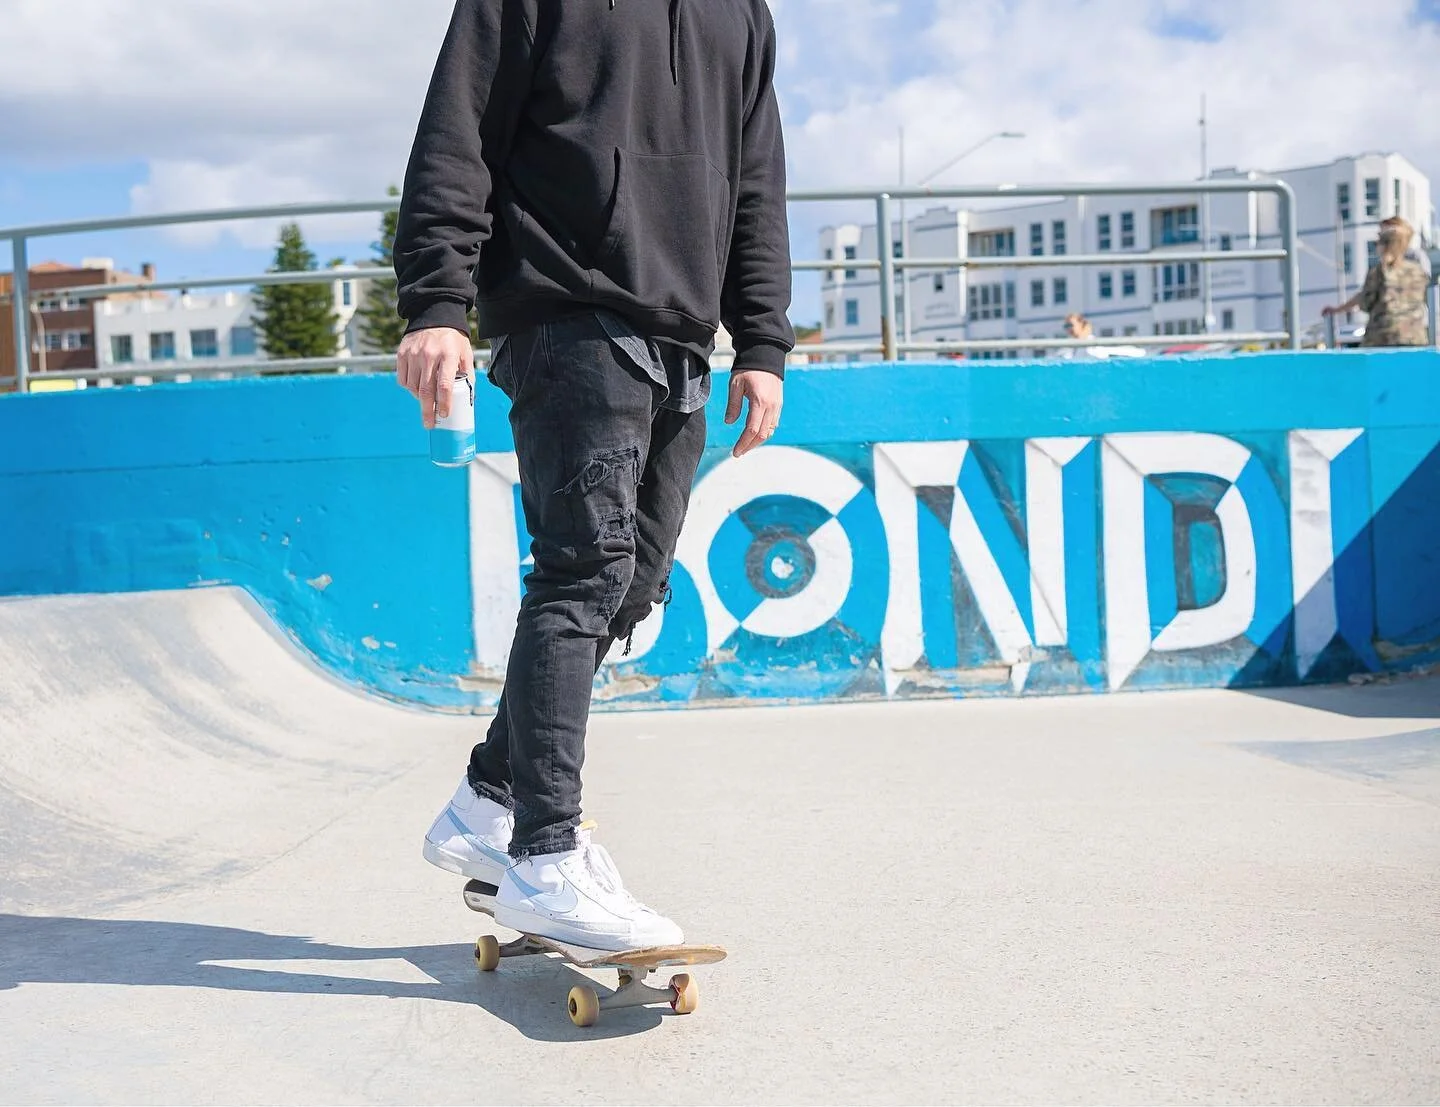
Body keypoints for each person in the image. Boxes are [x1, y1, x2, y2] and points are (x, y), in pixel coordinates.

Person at [392, 0, 794, 952]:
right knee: (581, 569)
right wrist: (436, 299)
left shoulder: (742, 11)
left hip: (688, 334)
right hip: (567, 314)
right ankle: (546, 852)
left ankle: (488, 798)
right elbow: (458, 129)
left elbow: (758, 179)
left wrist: (765, 338)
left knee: (631, 586)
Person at [1323, 217, 1430, 347]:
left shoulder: (1380, 270)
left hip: (1382, 338)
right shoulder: (1417, 267)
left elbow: (1366, 301)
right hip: (1415, 335)